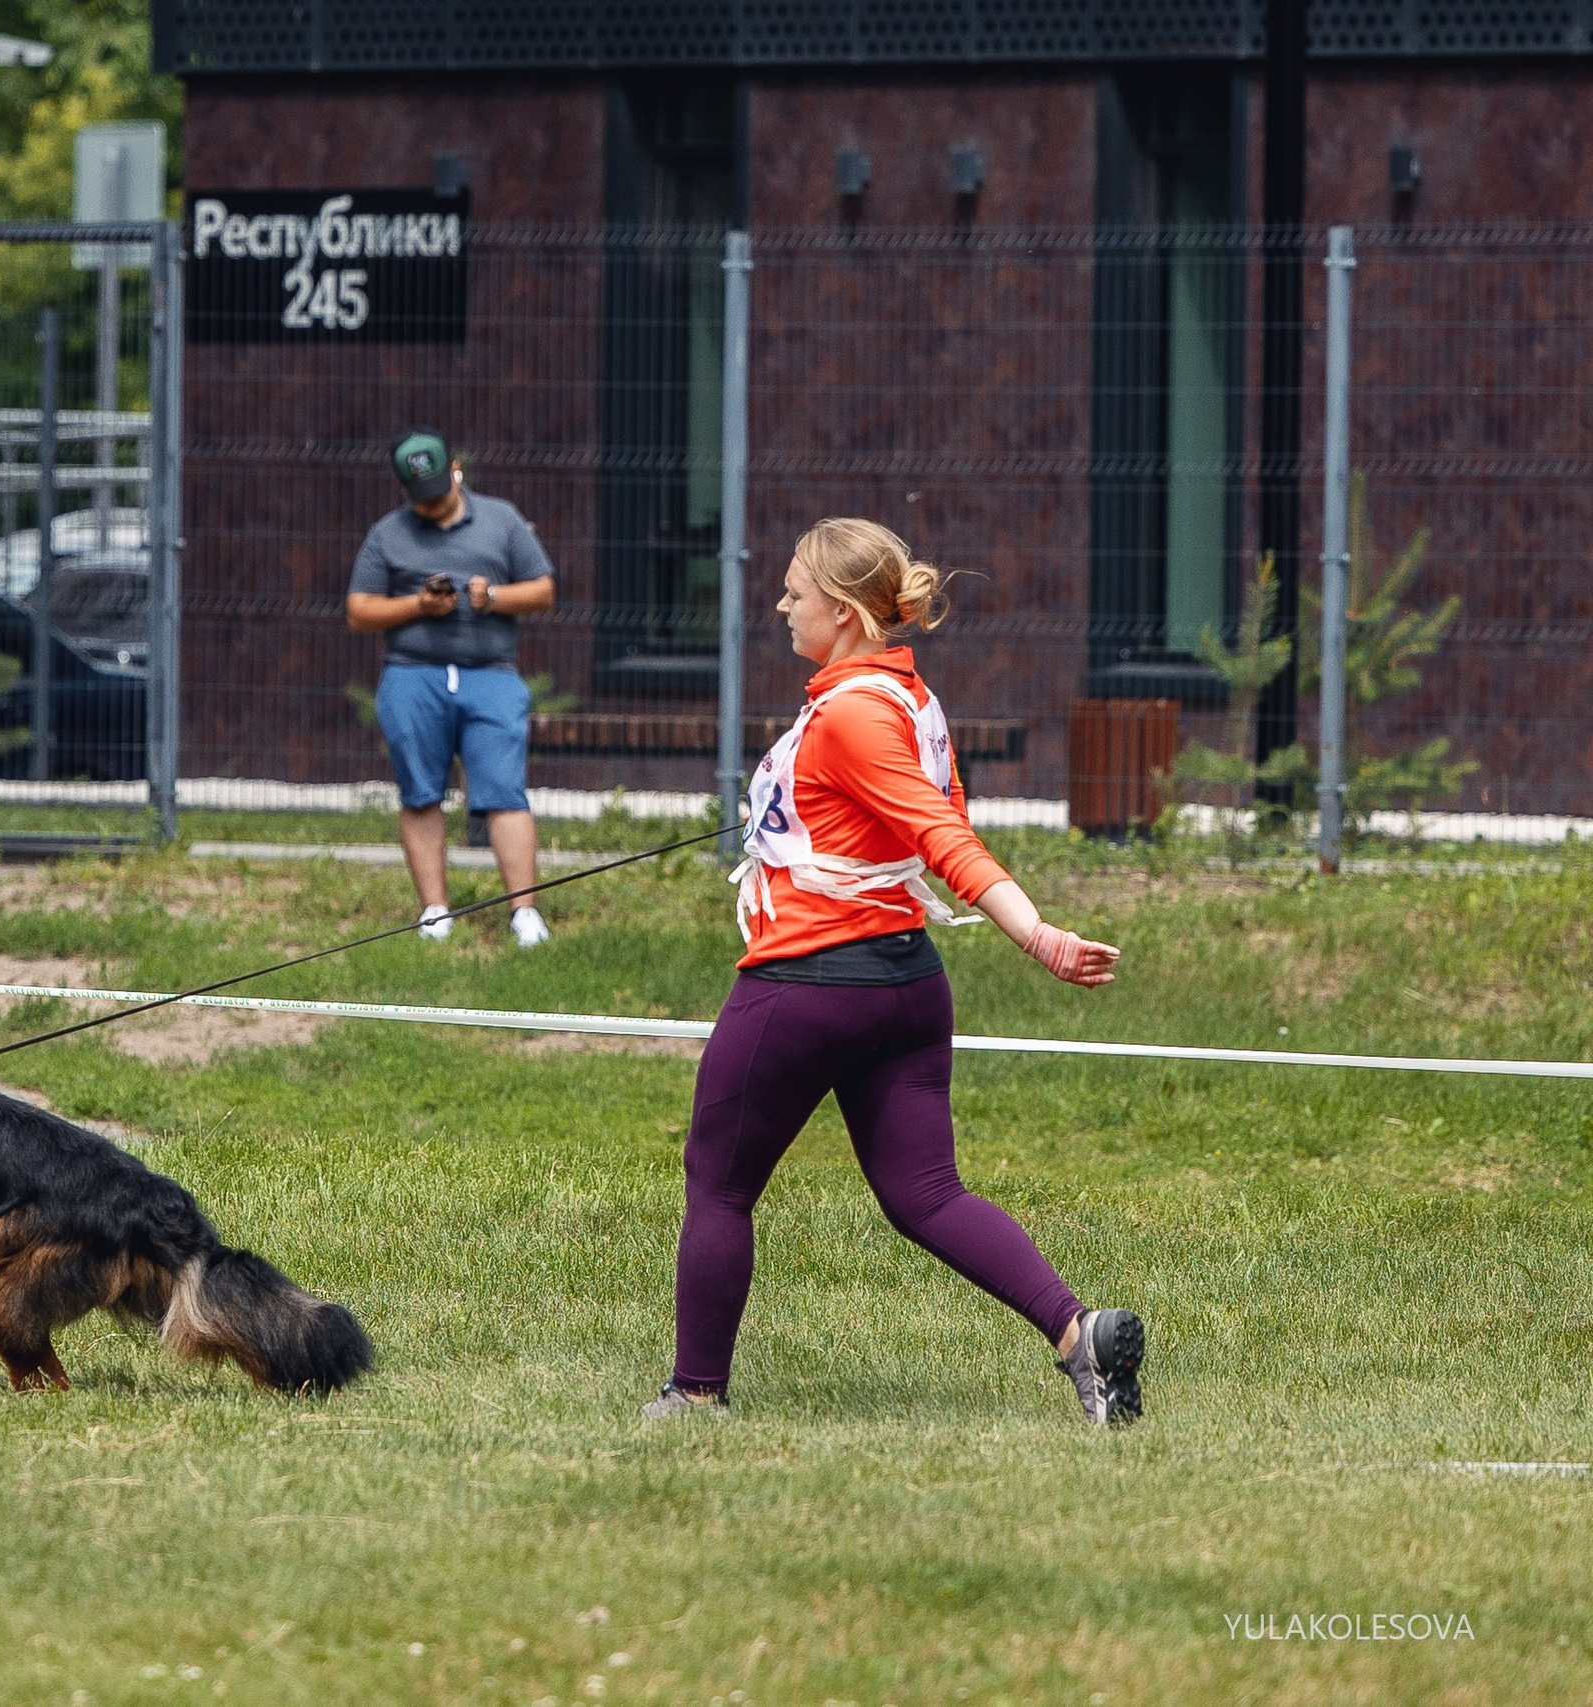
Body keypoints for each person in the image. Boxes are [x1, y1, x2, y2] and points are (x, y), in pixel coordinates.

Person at [643, 518, 1145, 1426]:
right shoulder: (907, 697)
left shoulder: (854, 713)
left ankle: (696, 1394)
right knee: (927, 1194)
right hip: (907, 982)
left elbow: (941, 835)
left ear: (839, 611)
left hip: (804, 985)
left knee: (718, 1181)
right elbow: (901, 817)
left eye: (794, 591)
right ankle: (1083, 1337)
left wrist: (1036, 934)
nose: (781, 604)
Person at [346, 428, 558, 948]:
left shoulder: (502, 520)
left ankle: (524, 915)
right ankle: (435, 911)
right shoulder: (386, 534)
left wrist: (494, 598)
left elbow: (544, 591)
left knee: (505, 792)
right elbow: (359, 610)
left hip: (491, 676)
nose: (432, 505)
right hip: (412, 675)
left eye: (439, 493)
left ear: (456, 471)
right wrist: (418, 605)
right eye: (421, 499)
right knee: (420, 793)